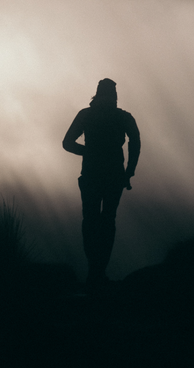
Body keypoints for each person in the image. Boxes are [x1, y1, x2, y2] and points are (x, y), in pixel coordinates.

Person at [62, 78, 140, 294]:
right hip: (114, 176)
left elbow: (67, 143)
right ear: (114, 96)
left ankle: (93, 272)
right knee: (107, 221)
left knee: (91, 221)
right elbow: (136, 142)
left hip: (90, 175)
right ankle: (98, 271)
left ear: (96, 94)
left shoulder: (86, 115)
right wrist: (129, 172)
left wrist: (88, 152)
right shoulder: (123, 117)